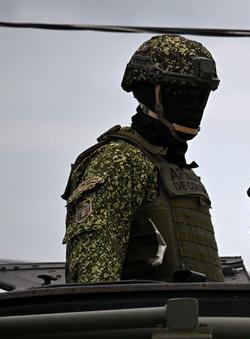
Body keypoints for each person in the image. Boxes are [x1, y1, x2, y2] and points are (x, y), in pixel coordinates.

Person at [62, 34, 224, 284]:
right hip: (147, 321)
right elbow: (94, 283)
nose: (194, 105)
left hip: (199, 318)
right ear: (151, 92)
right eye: (182, 92)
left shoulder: (175, 166)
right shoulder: (120, 161)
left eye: (201, 94)